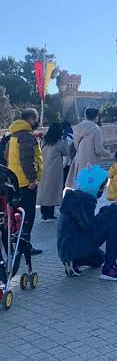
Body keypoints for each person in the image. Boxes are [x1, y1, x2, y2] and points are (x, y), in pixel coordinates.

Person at [57, 163, 117, 280]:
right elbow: (92, 226)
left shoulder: (75, 197)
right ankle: (109, 269)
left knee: (99, 259)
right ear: (95, 186)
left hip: (69, 247)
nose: (103, 190)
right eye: (103, 187)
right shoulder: (83, 201)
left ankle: (74, 261)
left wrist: (107, 210)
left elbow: (87, 223)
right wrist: (114, 208)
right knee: (115, 223)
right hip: (73, 247)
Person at [5, 108, 44, 256]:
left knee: (17, 216)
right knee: (27, 217)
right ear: (31, 118)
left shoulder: (13, 135)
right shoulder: (26, 136)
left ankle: (15, 246)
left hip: (15, 182)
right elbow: (27, 159)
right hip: (26, 182)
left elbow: (6, 156)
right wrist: (32, 179)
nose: (36, 122)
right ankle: (24, 246)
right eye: (36, 119)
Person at [65, 108, 111, 189]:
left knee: (79, 186)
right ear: (96, 117)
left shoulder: (77, 128)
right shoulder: (96, 130)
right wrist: (108, 153)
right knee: (89, 188)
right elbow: (98, 149)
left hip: (79, 161)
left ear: (85, 115)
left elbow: (76, 145)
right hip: (91, 163)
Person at [37, 122, 69, 221]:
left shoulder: (43, 140)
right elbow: (66, 152)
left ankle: (43, 212)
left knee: (44, 190)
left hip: (43, 168)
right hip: (54, 170)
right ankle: (50, 213)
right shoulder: (59, 142)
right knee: (53, 191)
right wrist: (65, 141)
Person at [61, 120, 75, 186]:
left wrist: (63, 165)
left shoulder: (66, 137)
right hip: (72, 162)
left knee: (64, 184)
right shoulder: (73, 135)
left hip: (66, 164)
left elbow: (66, 153)